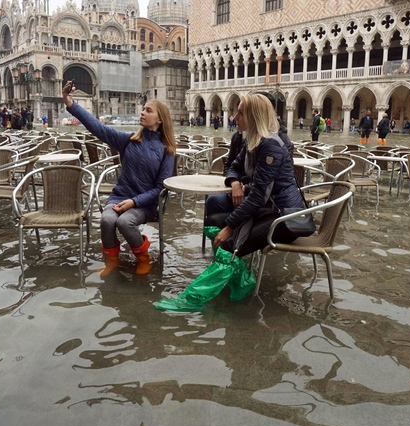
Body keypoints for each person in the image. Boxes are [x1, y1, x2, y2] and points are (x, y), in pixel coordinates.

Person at [157, 93, 305, 312]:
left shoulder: (270, 146)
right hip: (268, 211)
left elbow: (257, 197)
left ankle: (193, 301)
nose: (235, 116)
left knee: (229, 245)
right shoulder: (252, 141)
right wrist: (235, 183)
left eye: (240, 112)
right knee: (214, 222)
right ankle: (241, 282)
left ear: (253, 116)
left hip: (285, 217)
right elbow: (234, 166)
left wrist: (230, 227)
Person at [63, 80, 175, 276]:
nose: (142, 112)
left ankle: (143, 258)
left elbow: (161, 188)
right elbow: (98, 128)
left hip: (144, 204)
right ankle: (112, 261)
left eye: (148, 110)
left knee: (124, 222)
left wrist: (134, 202)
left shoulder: (167, 151)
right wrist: (71, 104)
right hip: (119, 196)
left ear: (160, 120)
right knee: (107, 220)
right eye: (143, 109)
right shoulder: (130, 140)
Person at [224, 92, 293, 171]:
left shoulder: (275, 143)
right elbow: (231, 166)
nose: (235, 117)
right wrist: (232, 180)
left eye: (241, 113)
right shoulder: (240, 137)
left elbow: (265, 179)